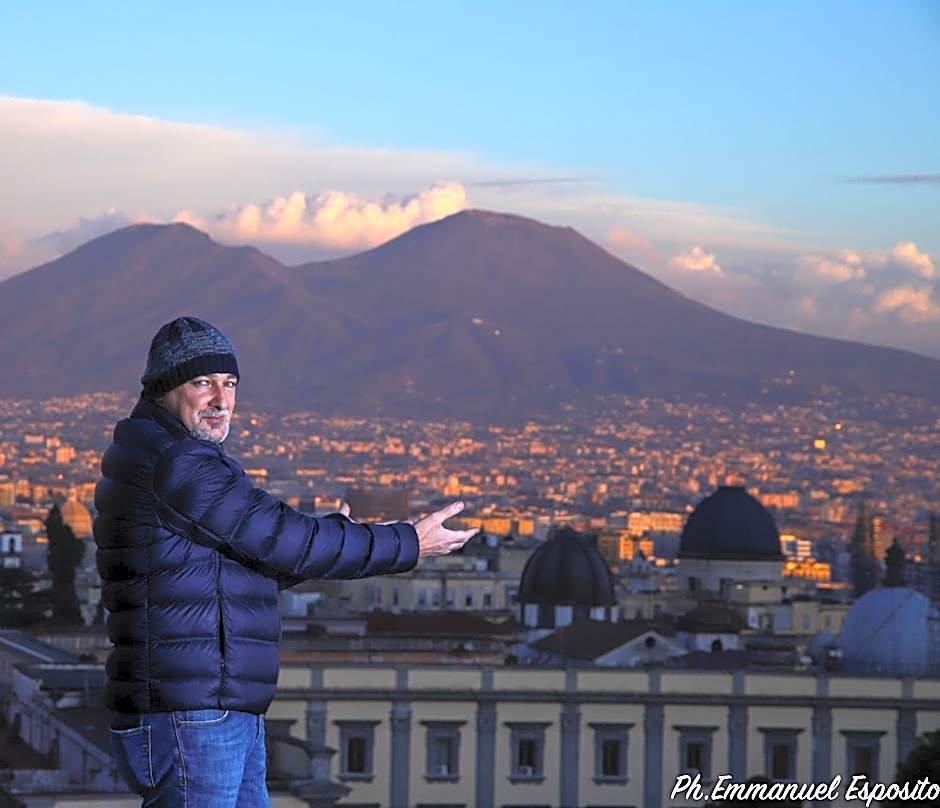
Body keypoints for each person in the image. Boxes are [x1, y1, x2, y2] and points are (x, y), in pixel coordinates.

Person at [94, 316, 477, 807]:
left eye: (230, 383)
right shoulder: (178, 462)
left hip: (208, 703)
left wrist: (337, 536)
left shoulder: (159, 453)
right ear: (164, 389)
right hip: (193, 712)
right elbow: (284, 539)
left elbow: (248, 559)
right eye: (203, 383)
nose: (221, 399)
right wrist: (409, 543)